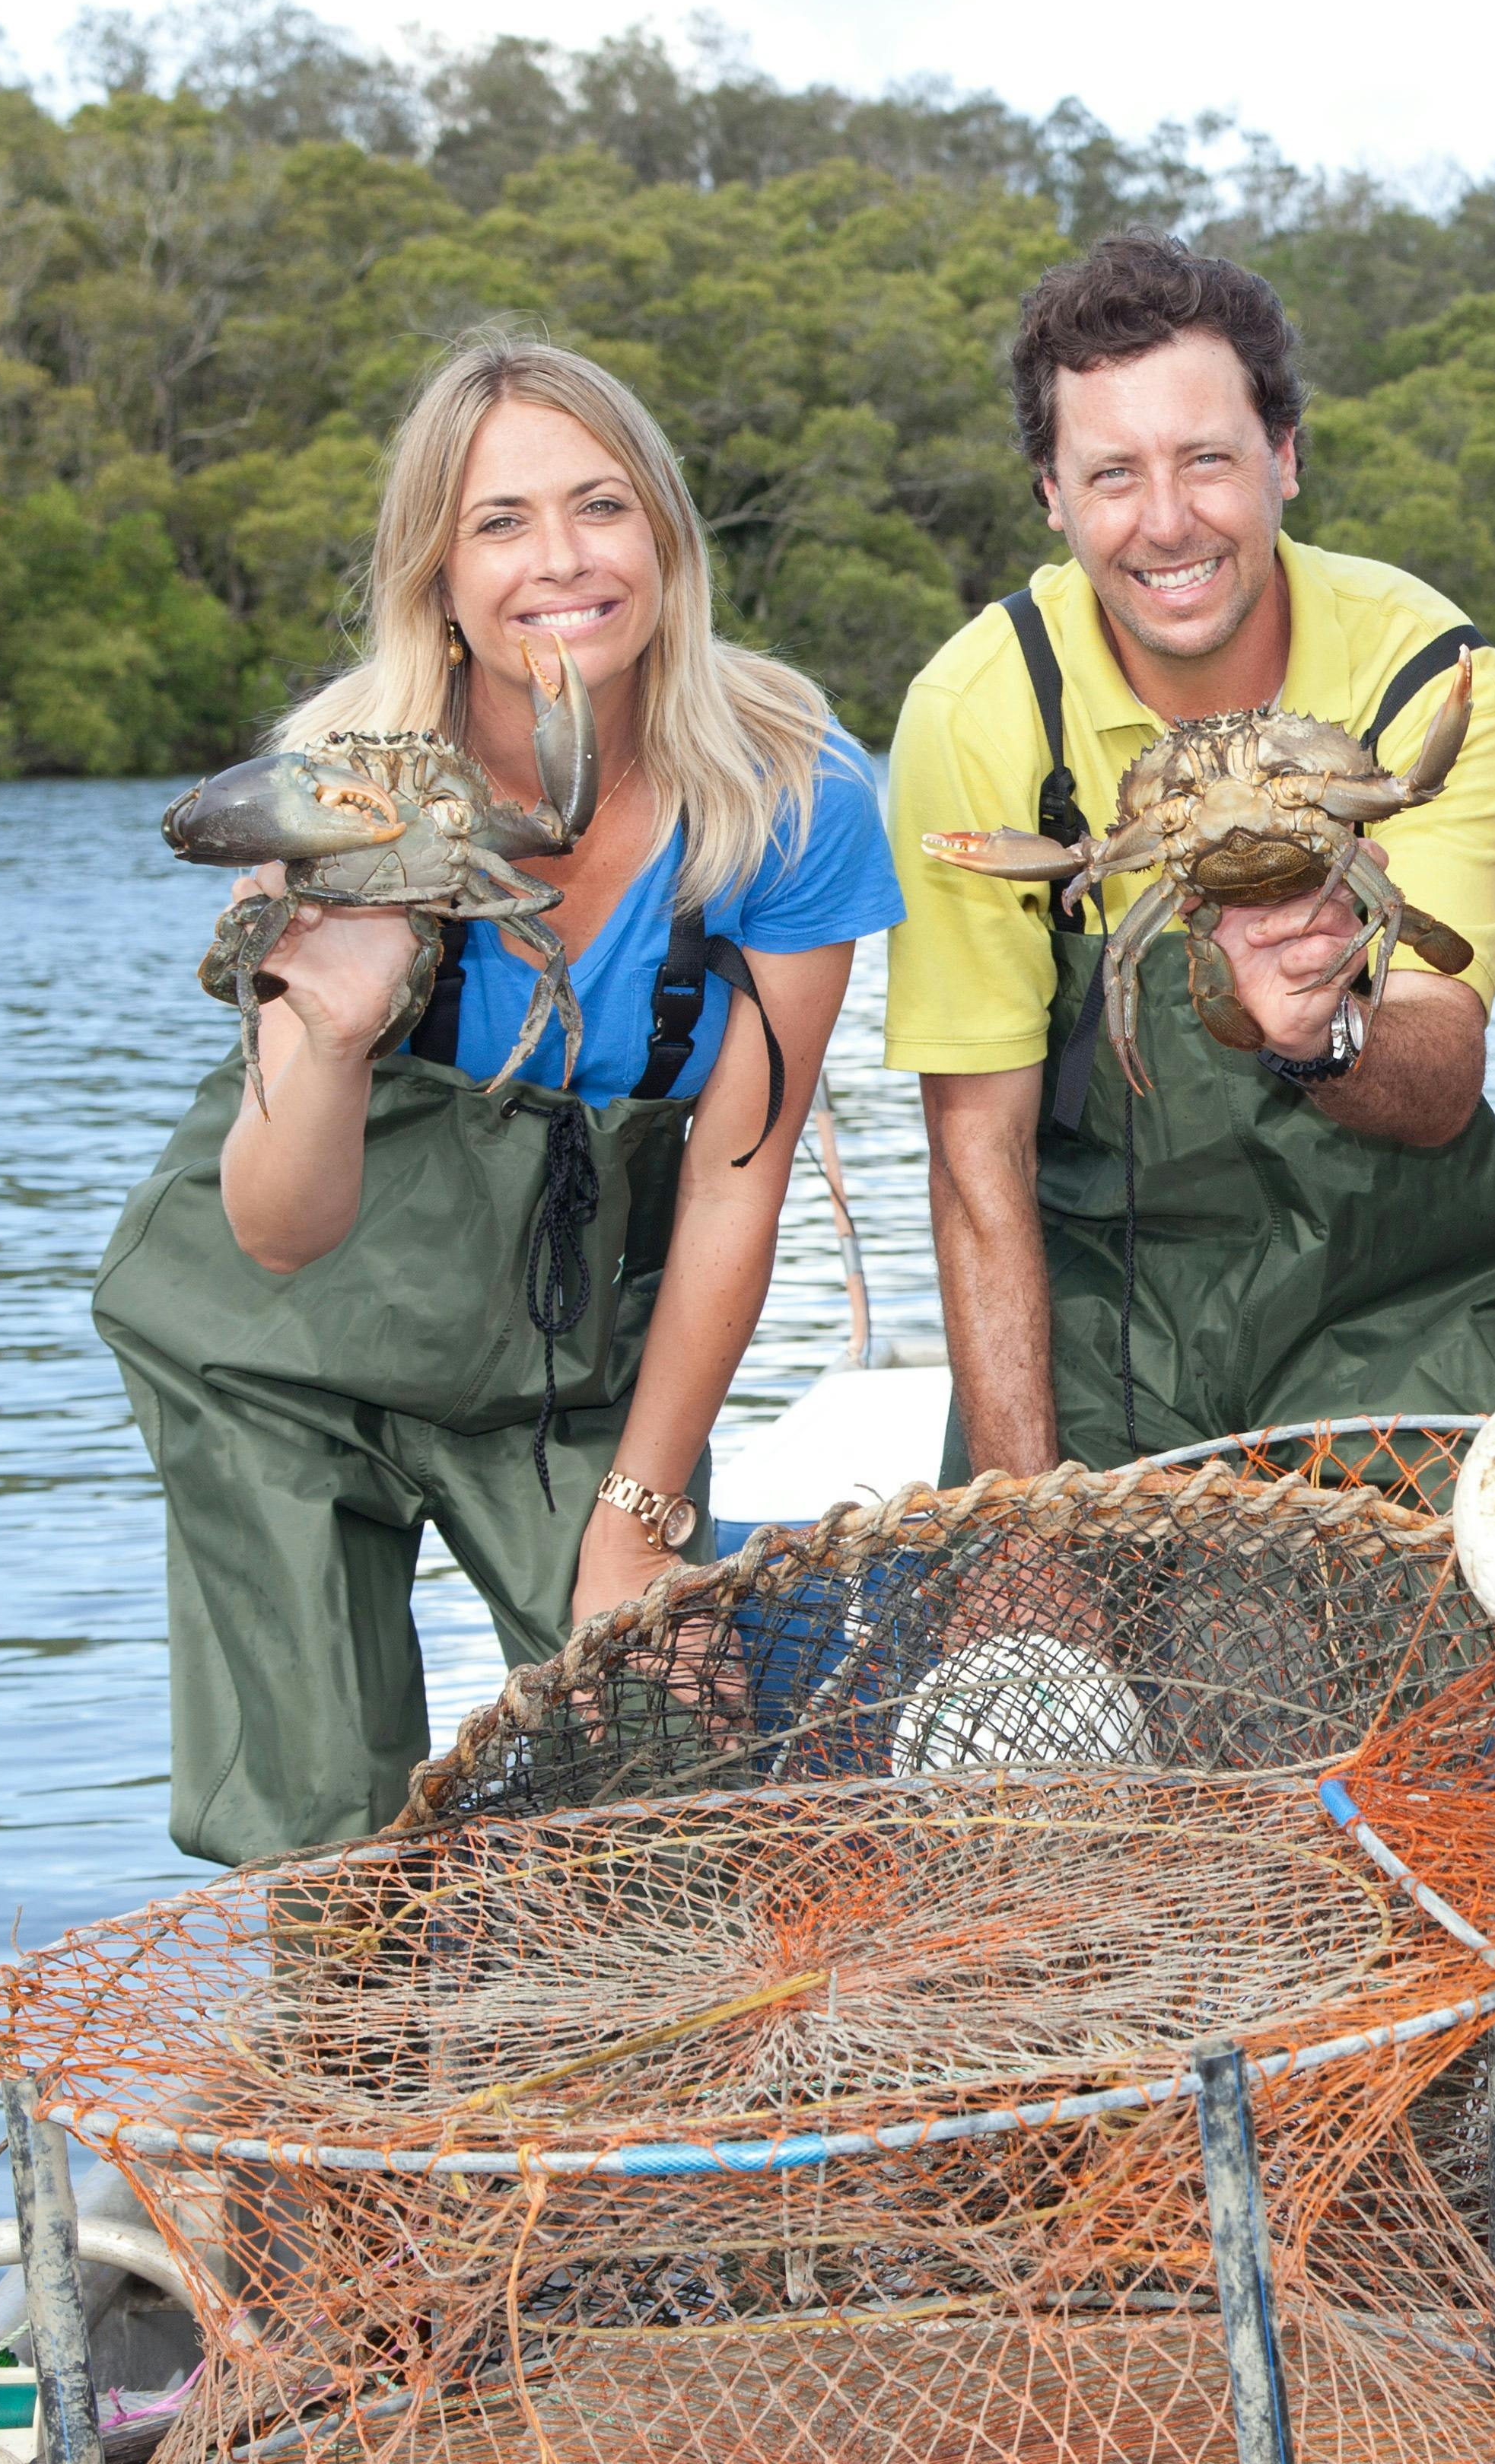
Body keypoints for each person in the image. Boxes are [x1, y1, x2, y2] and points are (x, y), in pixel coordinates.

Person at [96, 336, 899, 1863]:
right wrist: (328, 1033)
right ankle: (359, 2073)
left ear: (663, 530)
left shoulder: (794, 795)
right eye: (500, 522)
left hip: (566, 1350)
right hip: (276, 1349)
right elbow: (274, 1233)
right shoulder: (339, 787)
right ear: (437, 573)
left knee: (669, 1791)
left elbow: (740, 1176)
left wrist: (642, 1522)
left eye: (599, 506)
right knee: (325, 1829)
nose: (562, 562)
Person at [886, 237, 1495, 1475]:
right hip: (1104, 1302)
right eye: (1111, 475)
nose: (1166, 522)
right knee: (1031, 1629)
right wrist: (1024, 1520)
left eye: (1207, 460)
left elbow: (1445, 1071)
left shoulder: (1428, 670)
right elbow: (974, 1150)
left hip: (1400, 1291)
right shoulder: (980, 709)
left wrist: (1320, 1032)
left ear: (1285, 458)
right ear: (1050, 495)